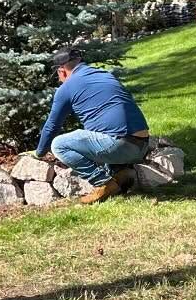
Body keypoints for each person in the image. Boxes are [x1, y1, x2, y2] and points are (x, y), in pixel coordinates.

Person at [36, 48, 150, 204]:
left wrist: (40, 152)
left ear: (61, 71)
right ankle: (123, 173)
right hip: (142, 145)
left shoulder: (66, 88)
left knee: (59, 144)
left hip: (119, 145)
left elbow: (52, 126)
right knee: (97, 133)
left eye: (58, 75)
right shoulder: (105, 75)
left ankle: (103, 183)